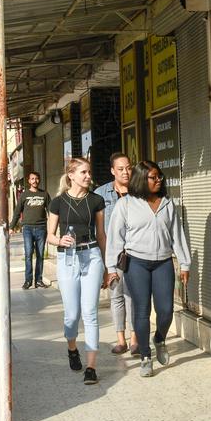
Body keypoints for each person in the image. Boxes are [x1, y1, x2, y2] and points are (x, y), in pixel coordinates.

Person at [107, 160, 190, 378]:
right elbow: (115, 238)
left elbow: (178, 236)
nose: (159, 180)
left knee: (166, 310)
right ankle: (145, 355)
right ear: (142, 179)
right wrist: (111, 267)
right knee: (141, 311)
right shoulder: (125, 205)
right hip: (136, 263)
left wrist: (185, 262)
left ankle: (159, 339)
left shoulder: (167, 204)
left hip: (163, 262)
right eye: (154, 177)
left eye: (159, 177)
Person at [46, 157, 107, 385]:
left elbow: (101, 235)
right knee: (72, 315)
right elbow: (50, 236)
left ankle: (91, 367)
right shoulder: (58, 203)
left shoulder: (97, 201)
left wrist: (107, 266)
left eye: (89, 172)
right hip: (67, 259)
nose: (88, 176)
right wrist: (59, 240)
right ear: (71, 175)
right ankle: (72, 349)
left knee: (90, 312)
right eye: (84, 172)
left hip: (91, 256)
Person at [94, 152, 138, 355]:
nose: (125, 172)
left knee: (134, 296)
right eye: (120, 169)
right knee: (117, 295)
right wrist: (104, 262)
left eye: (128, 167)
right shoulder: (101, 194)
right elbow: (99, 231)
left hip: (136, 252)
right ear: (113, 171)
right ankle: (121, 339)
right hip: (113, 254)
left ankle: (135, 337)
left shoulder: (139, 191)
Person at [11, 172, 51, 289]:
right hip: (27, 228)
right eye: (32, 179)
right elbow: (17, 212)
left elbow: (51, 210)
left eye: (37, 178)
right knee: (28, 255)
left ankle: (38, 280)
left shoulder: (44, 194)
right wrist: (12, 226)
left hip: (41, 228)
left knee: (40, 255)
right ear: (29, 181)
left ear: (39, 180)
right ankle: (28, 281)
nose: (34, 181)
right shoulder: (24, 195)